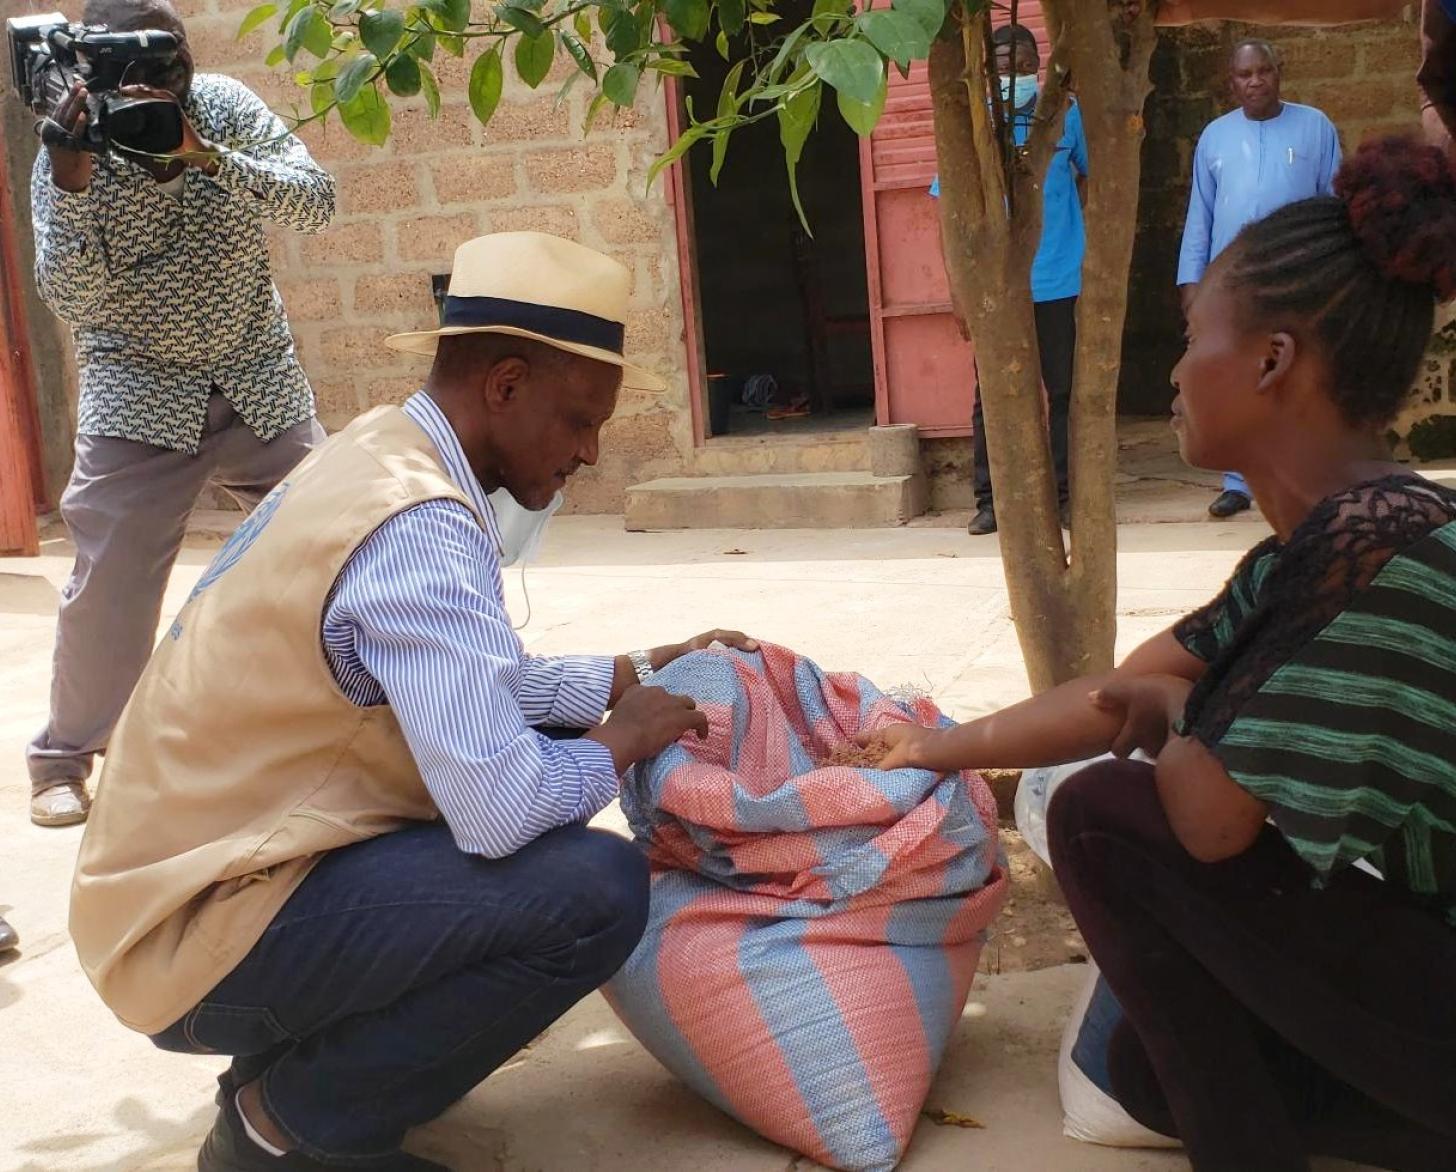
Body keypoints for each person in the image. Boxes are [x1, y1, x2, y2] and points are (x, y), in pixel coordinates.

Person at [69, 230, 760, 1171]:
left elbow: (471, 686)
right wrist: (618, 744)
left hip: (179, 888)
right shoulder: (421, 525)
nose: (591, 452)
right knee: (590, 889)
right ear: (506, 387)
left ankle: (275, 1080)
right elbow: (499, 807)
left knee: (472, 824)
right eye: (579, 420)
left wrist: (623, 675)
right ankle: (290, 1130)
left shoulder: (381, 451)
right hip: (193, 931)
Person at [874, 137, 1456, 1170]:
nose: (1173, 373)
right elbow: (1119, 689)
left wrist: (1175, 715)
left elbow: (1207, 816)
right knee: (1140, 1071)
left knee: (1104, 817)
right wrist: (928, 747)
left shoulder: (1373, 548)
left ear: (1272, 360)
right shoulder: (1329, 544)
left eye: (1192, 338)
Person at [26, 0, 334, 827]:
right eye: (127, 83)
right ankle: (63, 760)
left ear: (186, 69)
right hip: (138, 387)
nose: (147, 98)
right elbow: (69, 295)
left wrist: (208, 156)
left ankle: (348, 723)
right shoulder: (71, 143)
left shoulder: (224, 107)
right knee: (111, 582)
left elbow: (316, 201)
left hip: (255, 373)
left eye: (163, 78)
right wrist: (74, 181)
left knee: (348, 535)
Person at [932, 23, 1089, 537]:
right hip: (998, 287)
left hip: (1059, 278)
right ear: (987, 67)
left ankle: (1067, 499)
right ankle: (991, 501)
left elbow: (1087, 179)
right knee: (992, 395)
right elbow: (947, 205)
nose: (1016, 71)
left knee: (1064, 391)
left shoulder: (1064, 115)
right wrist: (961, 288)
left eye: (1024, 62)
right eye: (1004, 62)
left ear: (1039, 64)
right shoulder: (976, 122)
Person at [1178, 39, 1341, 519]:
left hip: (1299, 274)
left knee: (1303, 374)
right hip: (1234, 283)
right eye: (1245, 75)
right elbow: (1199, 217)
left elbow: (1334, 205)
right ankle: (1239, 482)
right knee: (1242, 377)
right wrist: (1191, 283)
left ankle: (1307, 474)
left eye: (1264, 72)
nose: (1255, 82)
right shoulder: (1214, 138)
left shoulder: (1315, 127)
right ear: (1231, 82)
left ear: (1279, 73)